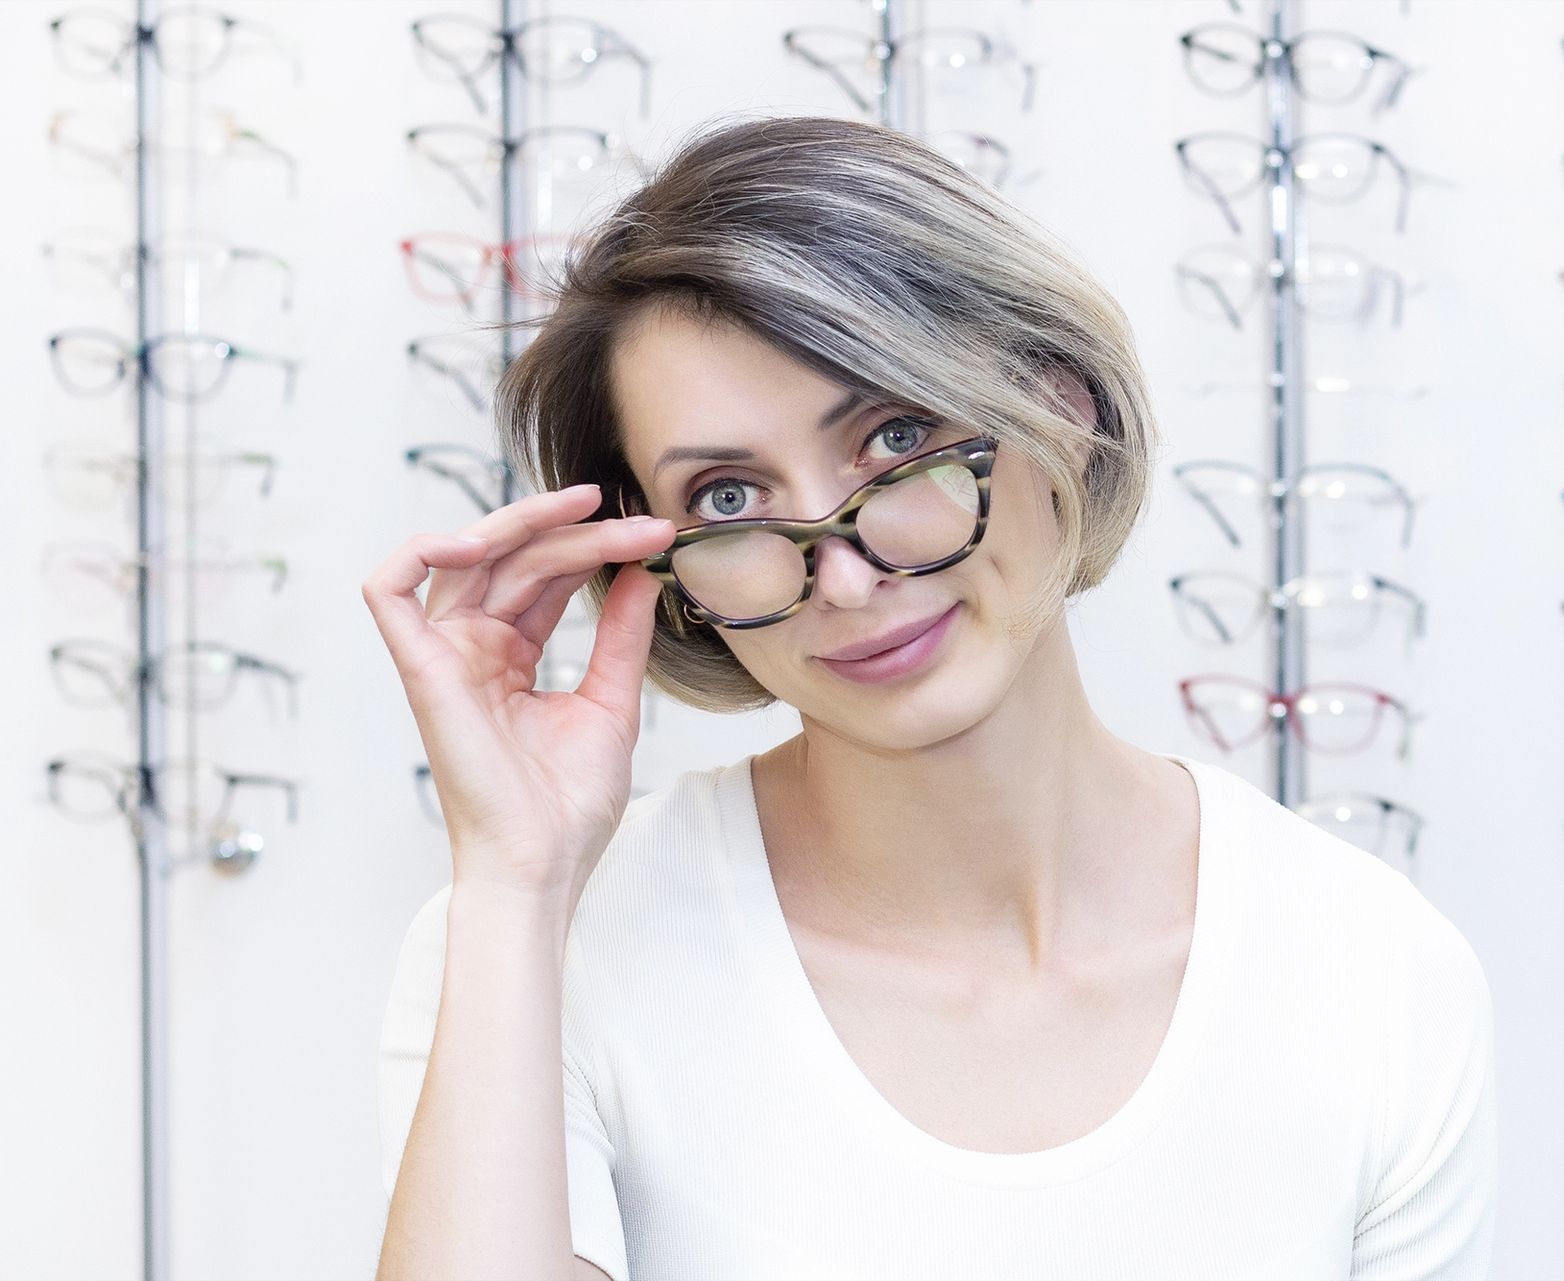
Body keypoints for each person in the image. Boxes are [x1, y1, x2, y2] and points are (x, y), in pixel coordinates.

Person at [366, 113, 1495, 1281]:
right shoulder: (535, 945)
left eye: (893, 436)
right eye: (730, 502)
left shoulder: (1373, 974)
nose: (845, 578)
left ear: (1061, 408)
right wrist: (514, 880)